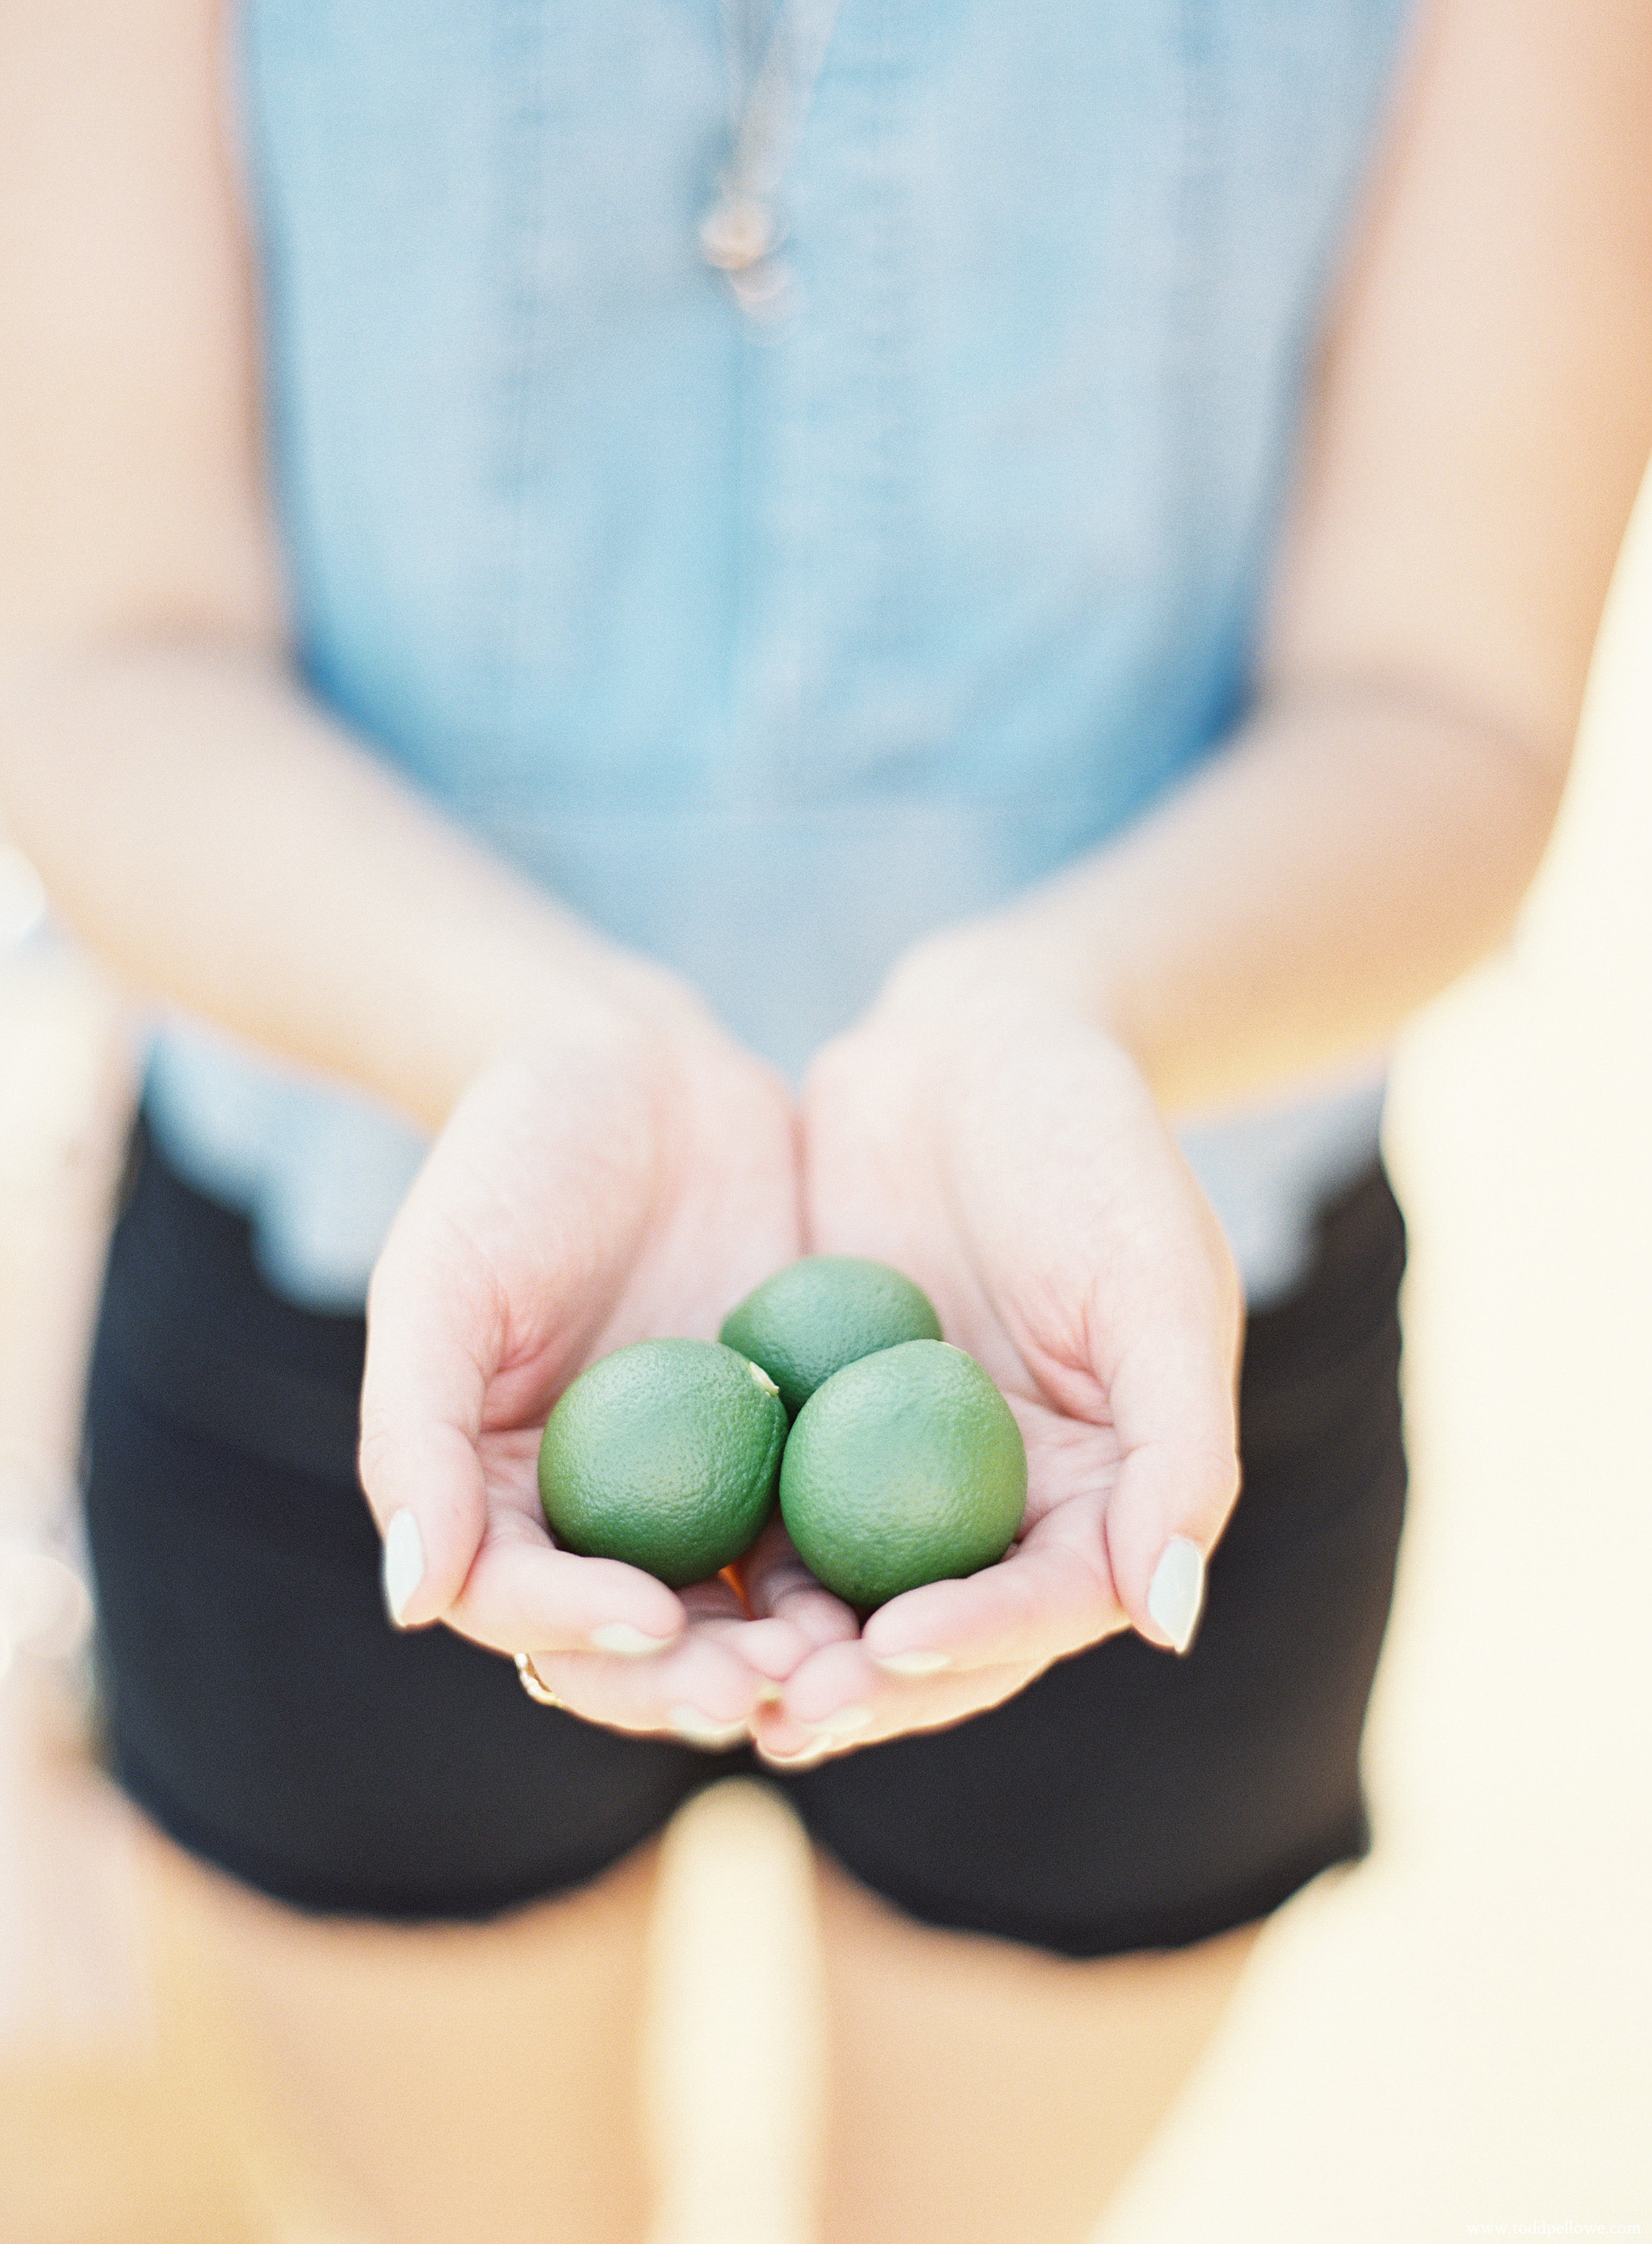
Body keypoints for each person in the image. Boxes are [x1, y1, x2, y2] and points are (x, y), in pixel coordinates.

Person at [1, 1, 1647, 2239]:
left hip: (1133, 1350)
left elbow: (1447, 704)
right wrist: (535, 1035)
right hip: (368, 1325)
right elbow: (104, 656)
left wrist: (1042, 1014)